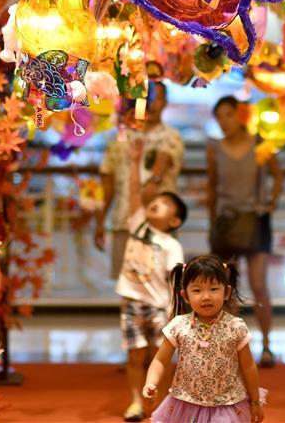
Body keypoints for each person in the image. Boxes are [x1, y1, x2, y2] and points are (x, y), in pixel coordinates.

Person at [207, 96, 283, 368]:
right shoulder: (214, 148)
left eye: (228, 115)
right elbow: (212, 187)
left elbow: (278, 174)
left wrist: (271, 202)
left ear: (240, 115)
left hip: (256, 220)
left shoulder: (259, 142)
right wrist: (212, 222)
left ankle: (267, 345)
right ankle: (231, 348)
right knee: (227, 287)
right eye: (219, 117)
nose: (224, 122)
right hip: (226, 221)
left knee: (258, 284)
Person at [143, 256, 265, 423]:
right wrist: (150, 384)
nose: (206, 296)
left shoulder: (235, 327)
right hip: (185, 402)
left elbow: (248, 366)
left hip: (226, 404)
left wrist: (255, 401)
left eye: (213, 289)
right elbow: (160, 360)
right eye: (197, 290)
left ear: (226, 292)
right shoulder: (178, 325)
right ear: (185, 295)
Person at [116, 138, 188, 422]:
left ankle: (162, 403)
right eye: (157, 200)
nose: (157, 203)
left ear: (175, 221)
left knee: (161, 357)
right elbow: (135, 191)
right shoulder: (138, 224)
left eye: (166, 204)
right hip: (132, 302)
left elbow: (176, 282)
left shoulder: (172, 245)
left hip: (159, 307)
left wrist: (174, 310)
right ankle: (135, 402)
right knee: (135, 356)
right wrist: (135, 161)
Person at [96, 81, 184, 280]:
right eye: (146, 98)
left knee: (161, 282)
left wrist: (154, 180)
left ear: (165, 102)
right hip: (123, 220)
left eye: (156, 98)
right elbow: (108, 183)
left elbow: (162, 164)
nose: (151, 104)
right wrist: (100, 220)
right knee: (126, 284)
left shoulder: (171, 136)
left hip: (160, 225)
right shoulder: (120, 137)